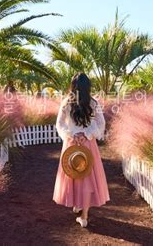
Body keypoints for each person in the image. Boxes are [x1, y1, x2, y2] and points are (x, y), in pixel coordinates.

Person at [52, 73, 110, 228]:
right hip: (88, 145)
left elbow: (59, 124)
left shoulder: (66, 102)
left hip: (71, 144)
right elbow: (101, 124)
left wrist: (72, 135)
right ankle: (83, 215)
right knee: (87, 177)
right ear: (87, 87)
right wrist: (87, 135)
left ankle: (79, 208)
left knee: (74, 175)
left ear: (73, 86)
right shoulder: (93, 103)